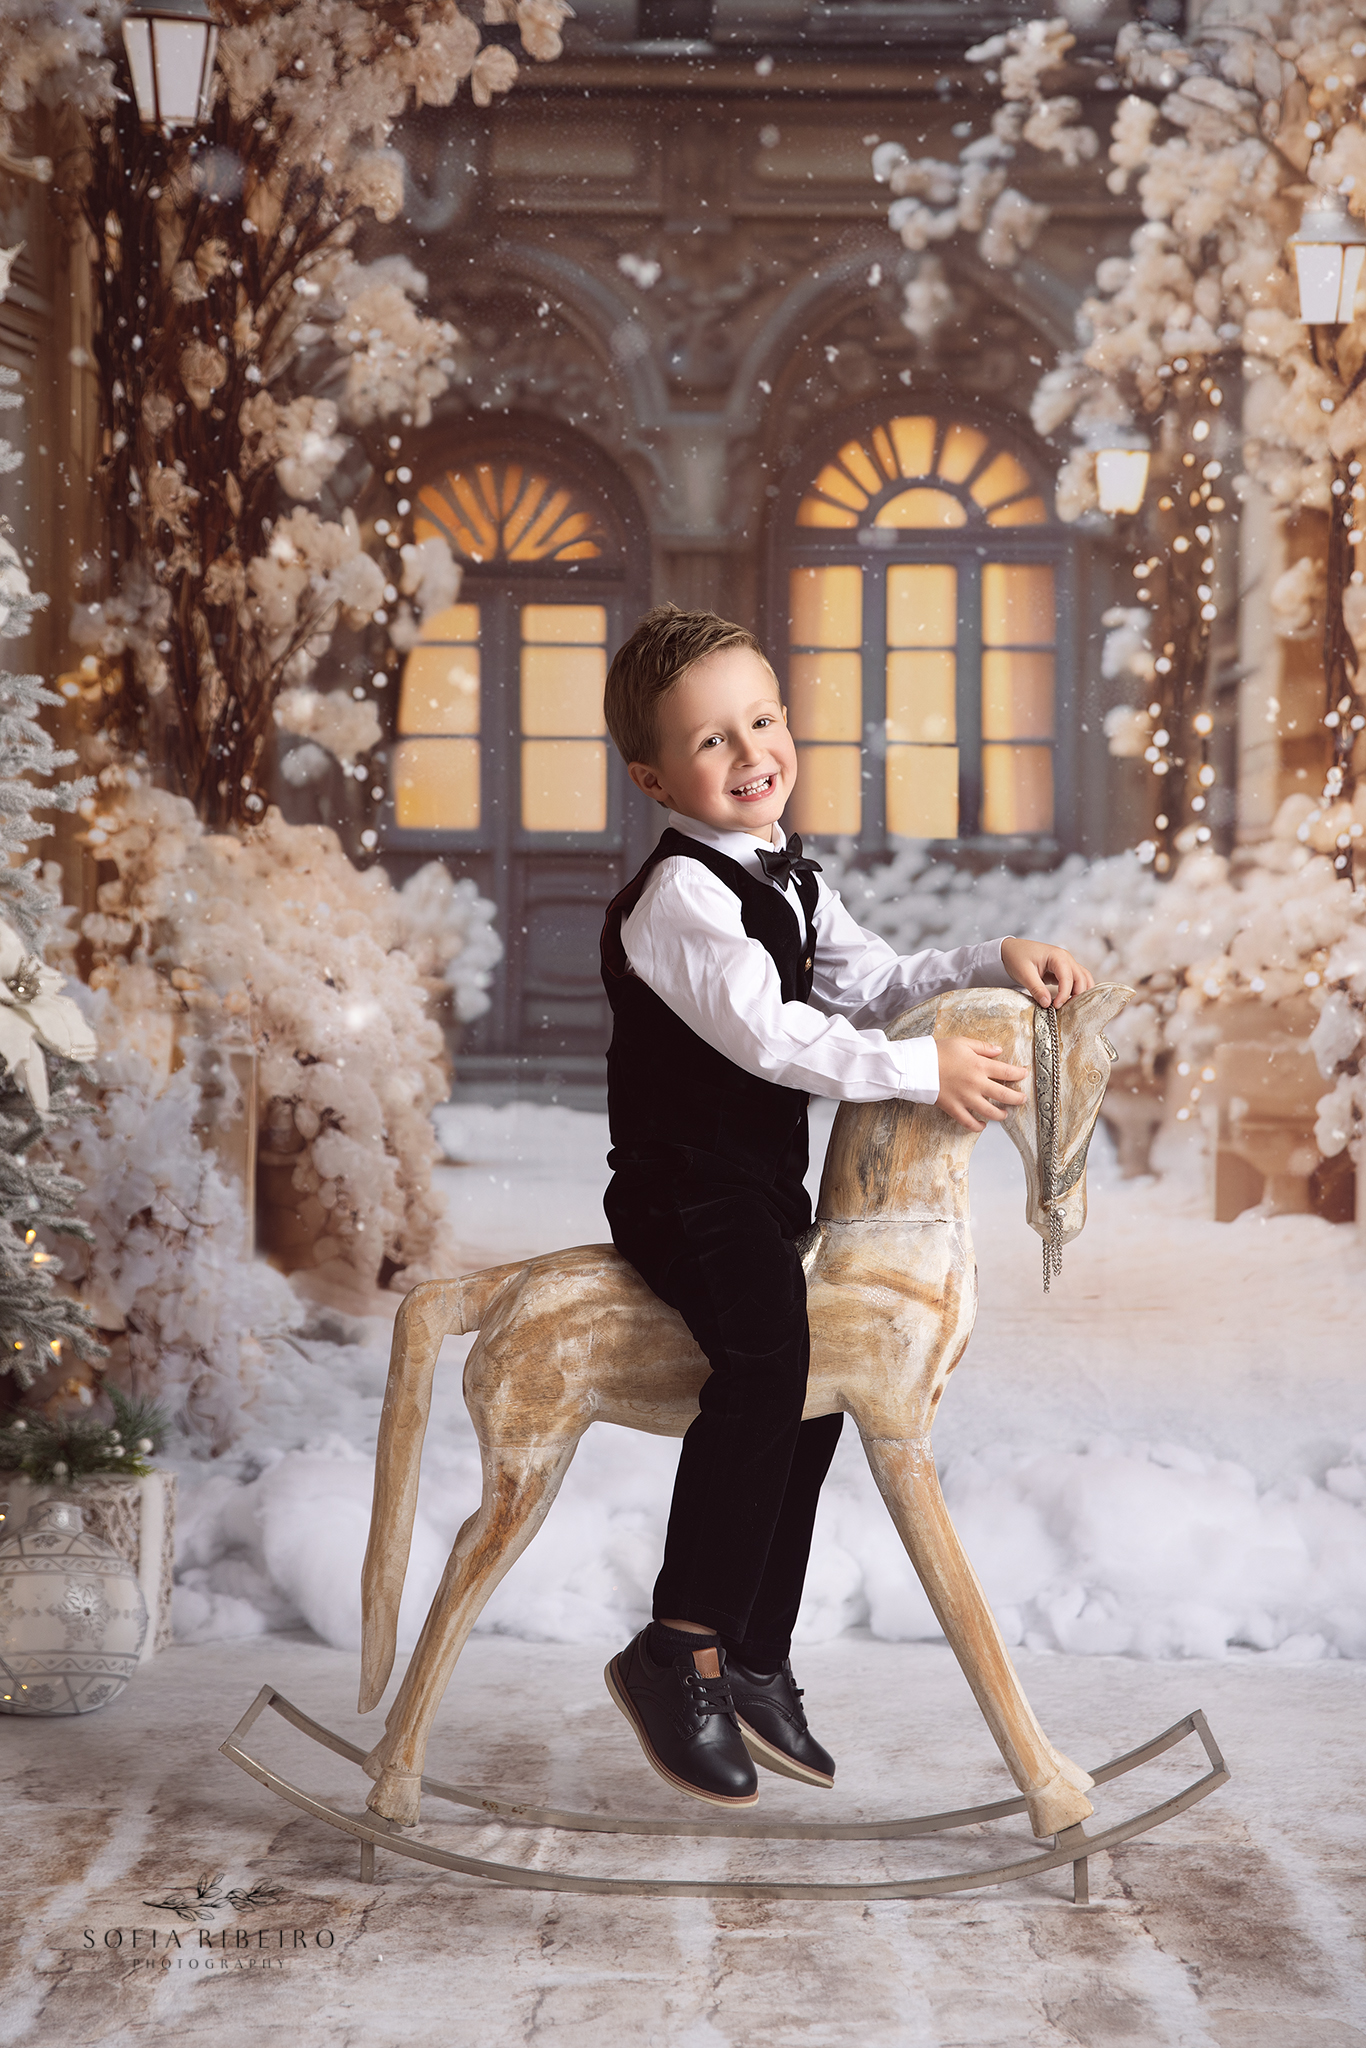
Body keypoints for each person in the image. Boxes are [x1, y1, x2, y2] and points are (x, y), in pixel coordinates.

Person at [598, 604, 1093, 1808]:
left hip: (759, 1190)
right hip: (680, 1189)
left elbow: (868, 980)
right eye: (711, 740)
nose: (751, 750)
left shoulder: (787, 873)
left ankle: (755, 1654)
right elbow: (773, 1039)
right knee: (765, 1361)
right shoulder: (679, 900)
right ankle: (676, 1645)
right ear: (653, 774)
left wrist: (987, 958)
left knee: (814, 1385)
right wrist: (928, 1071)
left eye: (762, 718)